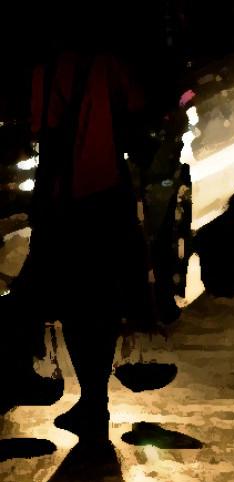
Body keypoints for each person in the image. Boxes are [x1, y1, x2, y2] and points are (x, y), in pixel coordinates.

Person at [0, 15, 154, 441]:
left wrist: (40, 210)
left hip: (63, 202)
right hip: (108, 199)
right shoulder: (111, 68)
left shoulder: (43, 74)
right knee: (101, 304)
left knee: (60, 301)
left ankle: (28, 376)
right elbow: (138, 123)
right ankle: (95, 402)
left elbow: (44, 138)